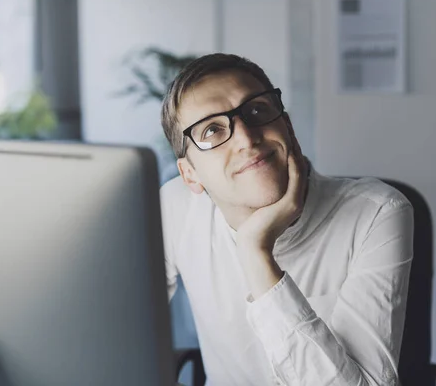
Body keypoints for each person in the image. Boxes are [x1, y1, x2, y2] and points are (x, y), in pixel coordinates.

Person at [160, 53, 413, 386]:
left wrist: (255, 252)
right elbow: (116, 330)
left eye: (256, 111)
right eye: (211, 130)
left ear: (288, 126)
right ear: (190, 175)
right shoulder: (176, 206)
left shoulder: (376, 212)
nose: (246, 139)